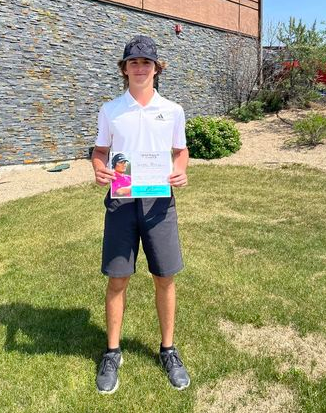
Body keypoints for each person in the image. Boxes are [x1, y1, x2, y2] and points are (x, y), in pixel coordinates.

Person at [91, 35, 190, 394]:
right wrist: (99, 169)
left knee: (164, 277)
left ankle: (168, 350)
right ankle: (112, 352)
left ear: (156, 68)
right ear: (124, 69)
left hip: (159, 204)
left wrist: (181, 170)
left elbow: (180, 151)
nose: (140, 68)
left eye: (146, 62)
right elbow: (100, 151)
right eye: (133, 62)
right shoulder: (111, 110)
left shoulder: (173, 110)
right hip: (122, 202)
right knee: (117, 279)